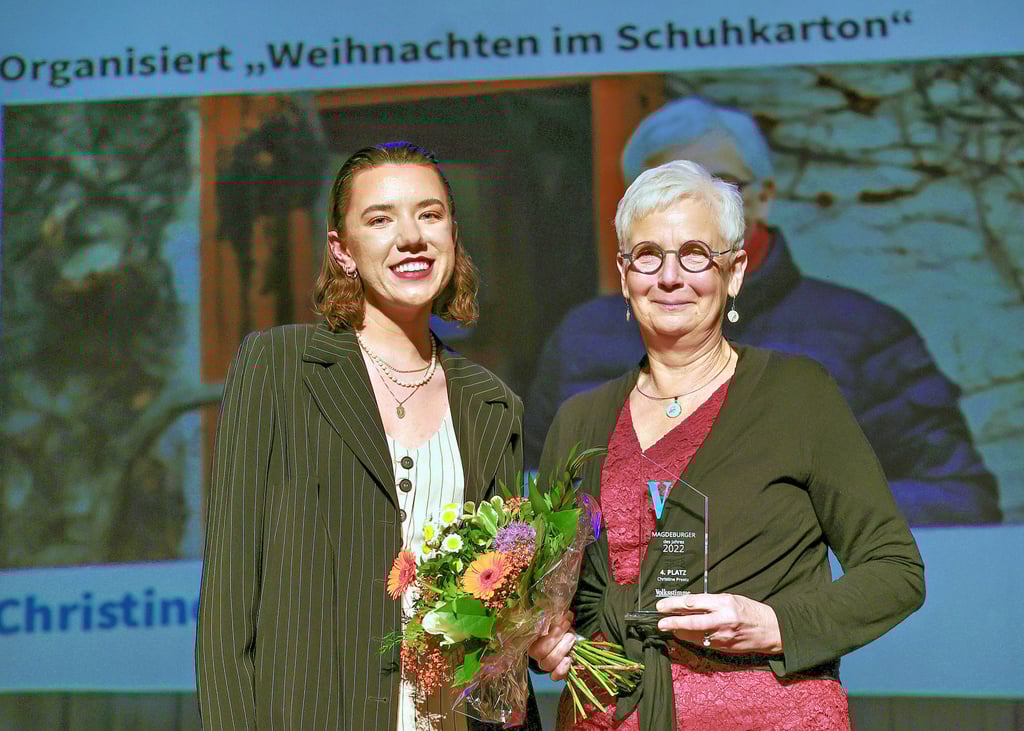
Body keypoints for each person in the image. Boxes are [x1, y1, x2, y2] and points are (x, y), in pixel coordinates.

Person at [528, 160, 925, 730]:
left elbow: (895, 570)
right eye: (647, 255)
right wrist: (547, 641)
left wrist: (775, 625)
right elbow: (555, 600)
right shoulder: (578, 421)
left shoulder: (797, 394)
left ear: (734, 272)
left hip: (769, 717)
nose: (670, 277)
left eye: (695, 254)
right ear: (623, 273)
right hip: (606, 717)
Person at [524, 96, 1001, 526]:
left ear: (766, 197)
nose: (693, 213)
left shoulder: (864, 333)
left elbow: (960, 495)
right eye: (666, 194)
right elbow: (533, 500)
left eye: (720, 187)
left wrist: (791, 513)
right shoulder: (581, 337)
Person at [196, 142, 542, 730]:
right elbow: (229, 605)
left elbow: (497, 615)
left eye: (429, 215)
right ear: (342, 249)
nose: (411, 237)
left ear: (453, 236)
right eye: (380, 219)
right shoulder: (277, 367)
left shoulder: (491, 403)